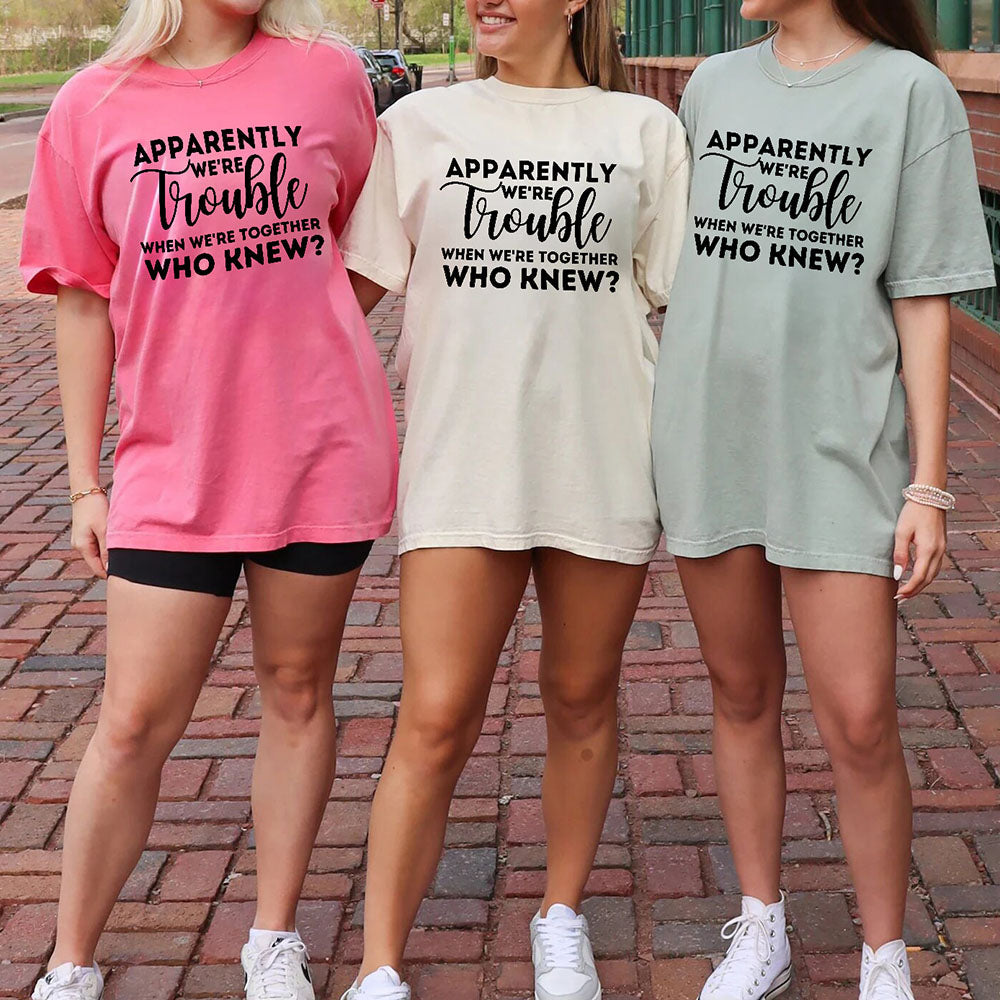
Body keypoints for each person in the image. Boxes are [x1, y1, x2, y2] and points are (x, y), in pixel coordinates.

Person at [19, 2, 398, 998]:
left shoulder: (329, 76)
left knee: (298, 691)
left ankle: (273, 937)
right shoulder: (91, 103)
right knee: (133, 720)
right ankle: (70, 960)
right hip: (171, 465)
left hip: (319, 449)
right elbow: (82, 299)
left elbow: (359, 241)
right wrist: (85, 480)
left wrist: (306, 335)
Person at [337, 0, 689, 997]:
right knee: (435, 715)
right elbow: (343, 299)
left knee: (580, 695)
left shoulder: (644, 131)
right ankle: (378, 965)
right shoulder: (418, 127)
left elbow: (682, 300)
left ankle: (560, 914)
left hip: (602, 454)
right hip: (461, 461)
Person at [650, 2, 995, 1000]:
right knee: (740, 693)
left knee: (860, 716)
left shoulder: (910, 93)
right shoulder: (714, 87)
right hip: (710, 436)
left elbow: (922, 295)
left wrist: (927, 481)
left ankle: (884, 958)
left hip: (840, 447)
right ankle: (761, 925)